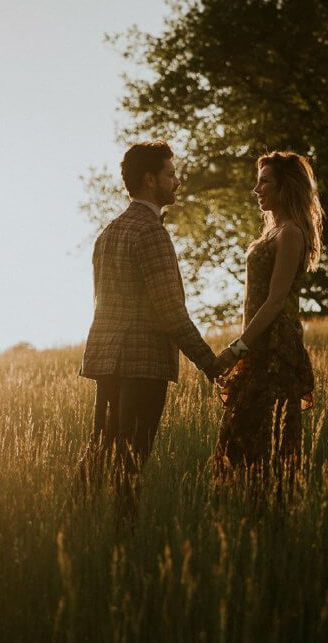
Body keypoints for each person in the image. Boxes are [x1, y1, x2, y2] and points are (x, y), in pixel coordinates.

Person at [78, 140, 233, 515]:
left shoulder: (108, 233)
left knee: (100, 453)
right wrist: (211, 365)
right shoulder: (151, 233)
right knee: (130, 461)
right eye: (170, 174)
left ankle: (75, 527)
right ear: (150, 180)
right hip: (142, 365)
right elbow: (170, 312)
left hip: (106, 361)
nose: (177, 182)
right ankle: (123, 542)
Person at [214, 151, 324, 476]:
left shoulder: (290, 232)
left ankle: (271, 513)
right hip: (258, 346)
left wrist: (236, 349)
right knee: (238, 439)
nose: (257, 189)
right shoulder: (273, 233)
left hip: (276, 348)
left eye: (265, 182)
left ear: (284, 187)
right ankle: (250, 511)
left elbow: (275, 301)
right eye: (257, 181)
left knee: (261, 441)